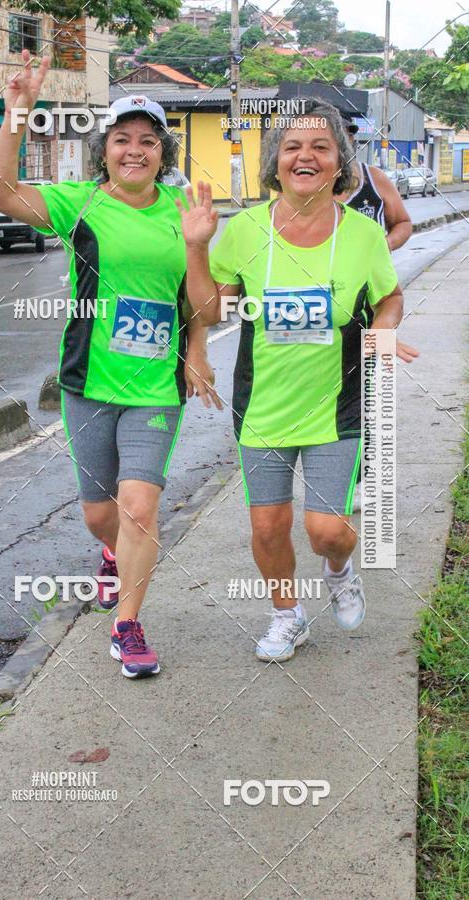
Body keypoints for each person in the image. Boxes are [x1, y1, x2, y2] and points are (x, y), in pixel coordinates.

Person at [0, 51, 220, 678]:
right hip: (88, 381)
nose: (135, 149)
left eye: (148, 140)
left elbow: (208, 307)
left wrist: (196, 344)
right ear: (106, 150)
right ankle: (114, 555)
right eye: (122, 139)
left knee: (141, 508)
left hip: (155, 388)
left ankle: (128, 626)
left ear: (163, 154)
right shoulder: (80, 203)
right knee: (101, 514)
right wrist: (19, 110)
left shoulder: (183, 210)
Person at [179, 99, 403, 662]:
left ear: (339, 163)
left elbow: (390, 297)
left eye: (321, 146)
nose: (306, 156)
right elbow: (209, 313)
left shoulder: (362, 236)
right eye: (293, 146)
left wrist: (381, 333)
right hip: (264, 408)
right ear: (275, 161)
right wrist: (197, 247)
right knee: (269, 527)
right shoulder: (246, 230)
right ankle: (287, 615)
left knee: (327, 529)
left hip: (338, 406)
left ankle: (340, 570)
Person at [338, 114, 418, 365]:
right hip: (324, 292)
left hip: (371, 294)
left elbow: (403, 223)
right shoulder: (305, 186)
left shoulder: (375, 180)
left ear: (351, 140)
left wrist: (384, 244)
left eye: (343, 136)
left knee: (368, 364)